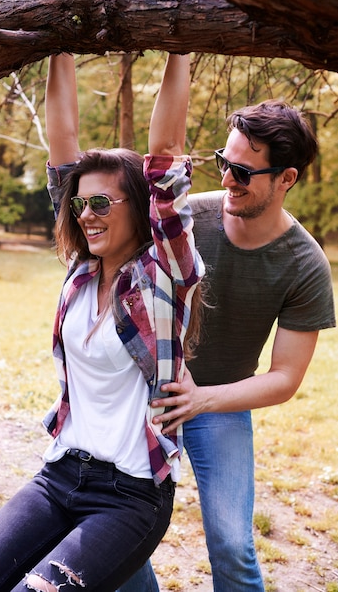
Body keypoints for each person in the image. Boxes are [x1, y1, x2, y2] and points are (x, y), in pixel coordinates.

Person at [0, 52, 204, 592]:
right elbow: (64, 144)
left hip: (130, 495)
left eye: (103, 202)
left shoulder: (164, 275)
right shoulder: (81, 272)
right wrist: (60, 41)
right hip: (59, 476)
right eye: (81, 205)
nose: (87, 215)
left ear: (141, 206)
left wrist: (178, 48)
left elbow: (165, 154)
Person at [119, 99, 336, 592]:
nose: (227, 179)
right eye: (223, 162)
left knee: (233, 543)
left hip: (219, 404)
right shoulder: (188, 220)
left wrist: (204, 400)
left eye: (243, 172)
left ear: (287, 179)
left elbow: (284, 378)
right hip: (146, 398)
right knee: (118, 529)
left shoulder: (305, 264)